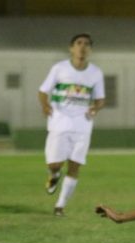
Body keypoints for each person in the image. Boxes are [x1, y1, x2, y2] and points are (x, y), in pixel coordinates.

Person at [38, 33, 105, 216]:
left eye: (86, 44)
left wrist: (95, 108)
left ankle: (60, 206)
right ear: (71, 48)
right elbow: (43, 91)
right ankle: (53, 175)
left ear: (90, 50)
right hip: (59, 122)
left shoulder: (95, 73)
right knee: (54, 164)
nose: (82, 47)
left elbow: (100, 99)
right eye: (79, 43)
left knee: (75, 165)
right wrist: (45, 105)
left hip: (83, 124)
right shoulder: (59, 69)